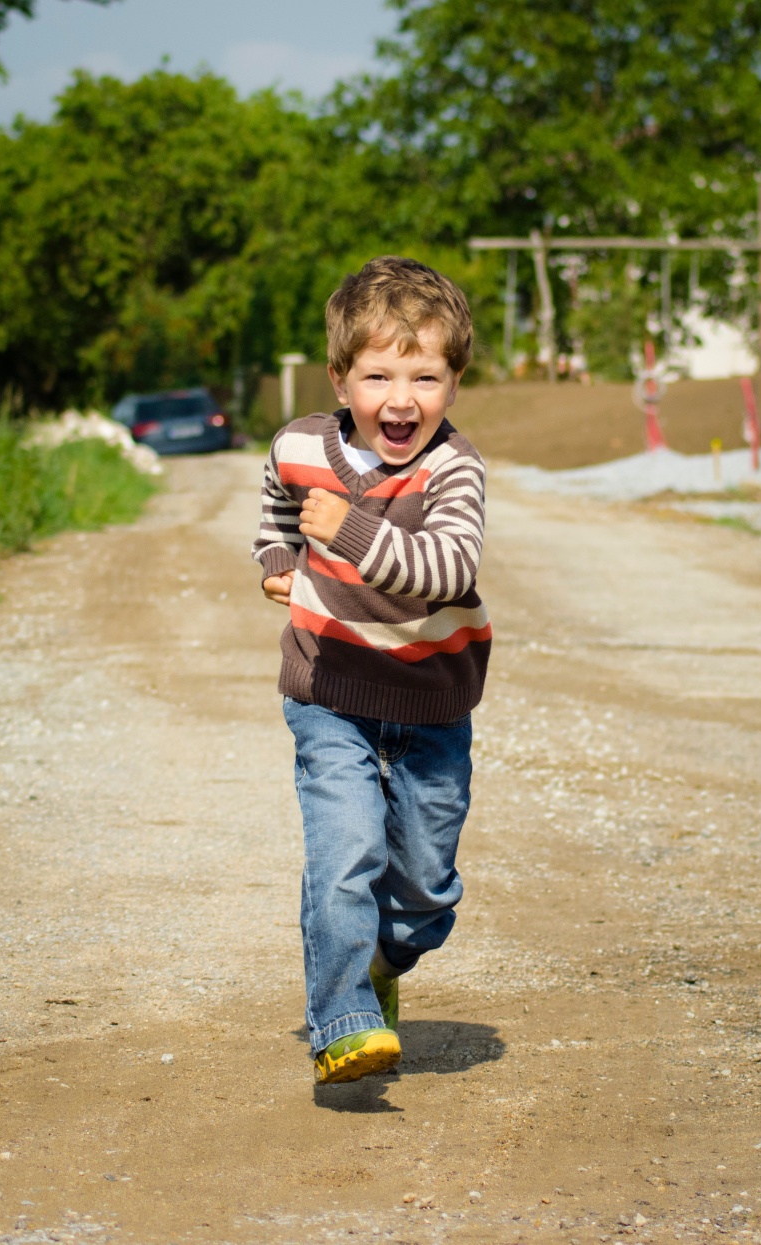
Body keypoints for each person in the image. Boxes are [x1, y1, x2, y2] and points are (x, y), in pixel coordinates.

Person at [252, 255, 492, 1084]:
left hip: (430, 702)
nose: (401, 398)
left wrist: (347, 531)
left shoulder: (453, 470)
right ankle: (343, 1017)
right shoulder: (299, 445)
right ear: (339, 377)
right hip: (330, 691)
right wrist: (279, 555)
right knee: (343, 851)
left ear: (454, 382)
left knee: (426, 891)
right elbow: (278, 501)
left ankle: (384, 960)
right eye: (378, 374)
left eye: (425, 375)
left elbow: (448, 568)